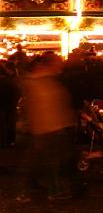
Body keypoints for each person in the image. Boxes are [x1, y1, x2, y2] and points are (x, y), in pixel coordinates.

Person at [19, 52, 77, 200]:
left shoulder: (46, 81)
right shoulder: (40, 82)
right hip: (47, 127)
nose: (60, 65)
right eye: (57, 62)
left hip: (50, 126)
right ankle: (53, 190)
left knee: (42, 160)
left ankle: (33, 188)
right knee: (51, 161)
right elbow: (38, 106)